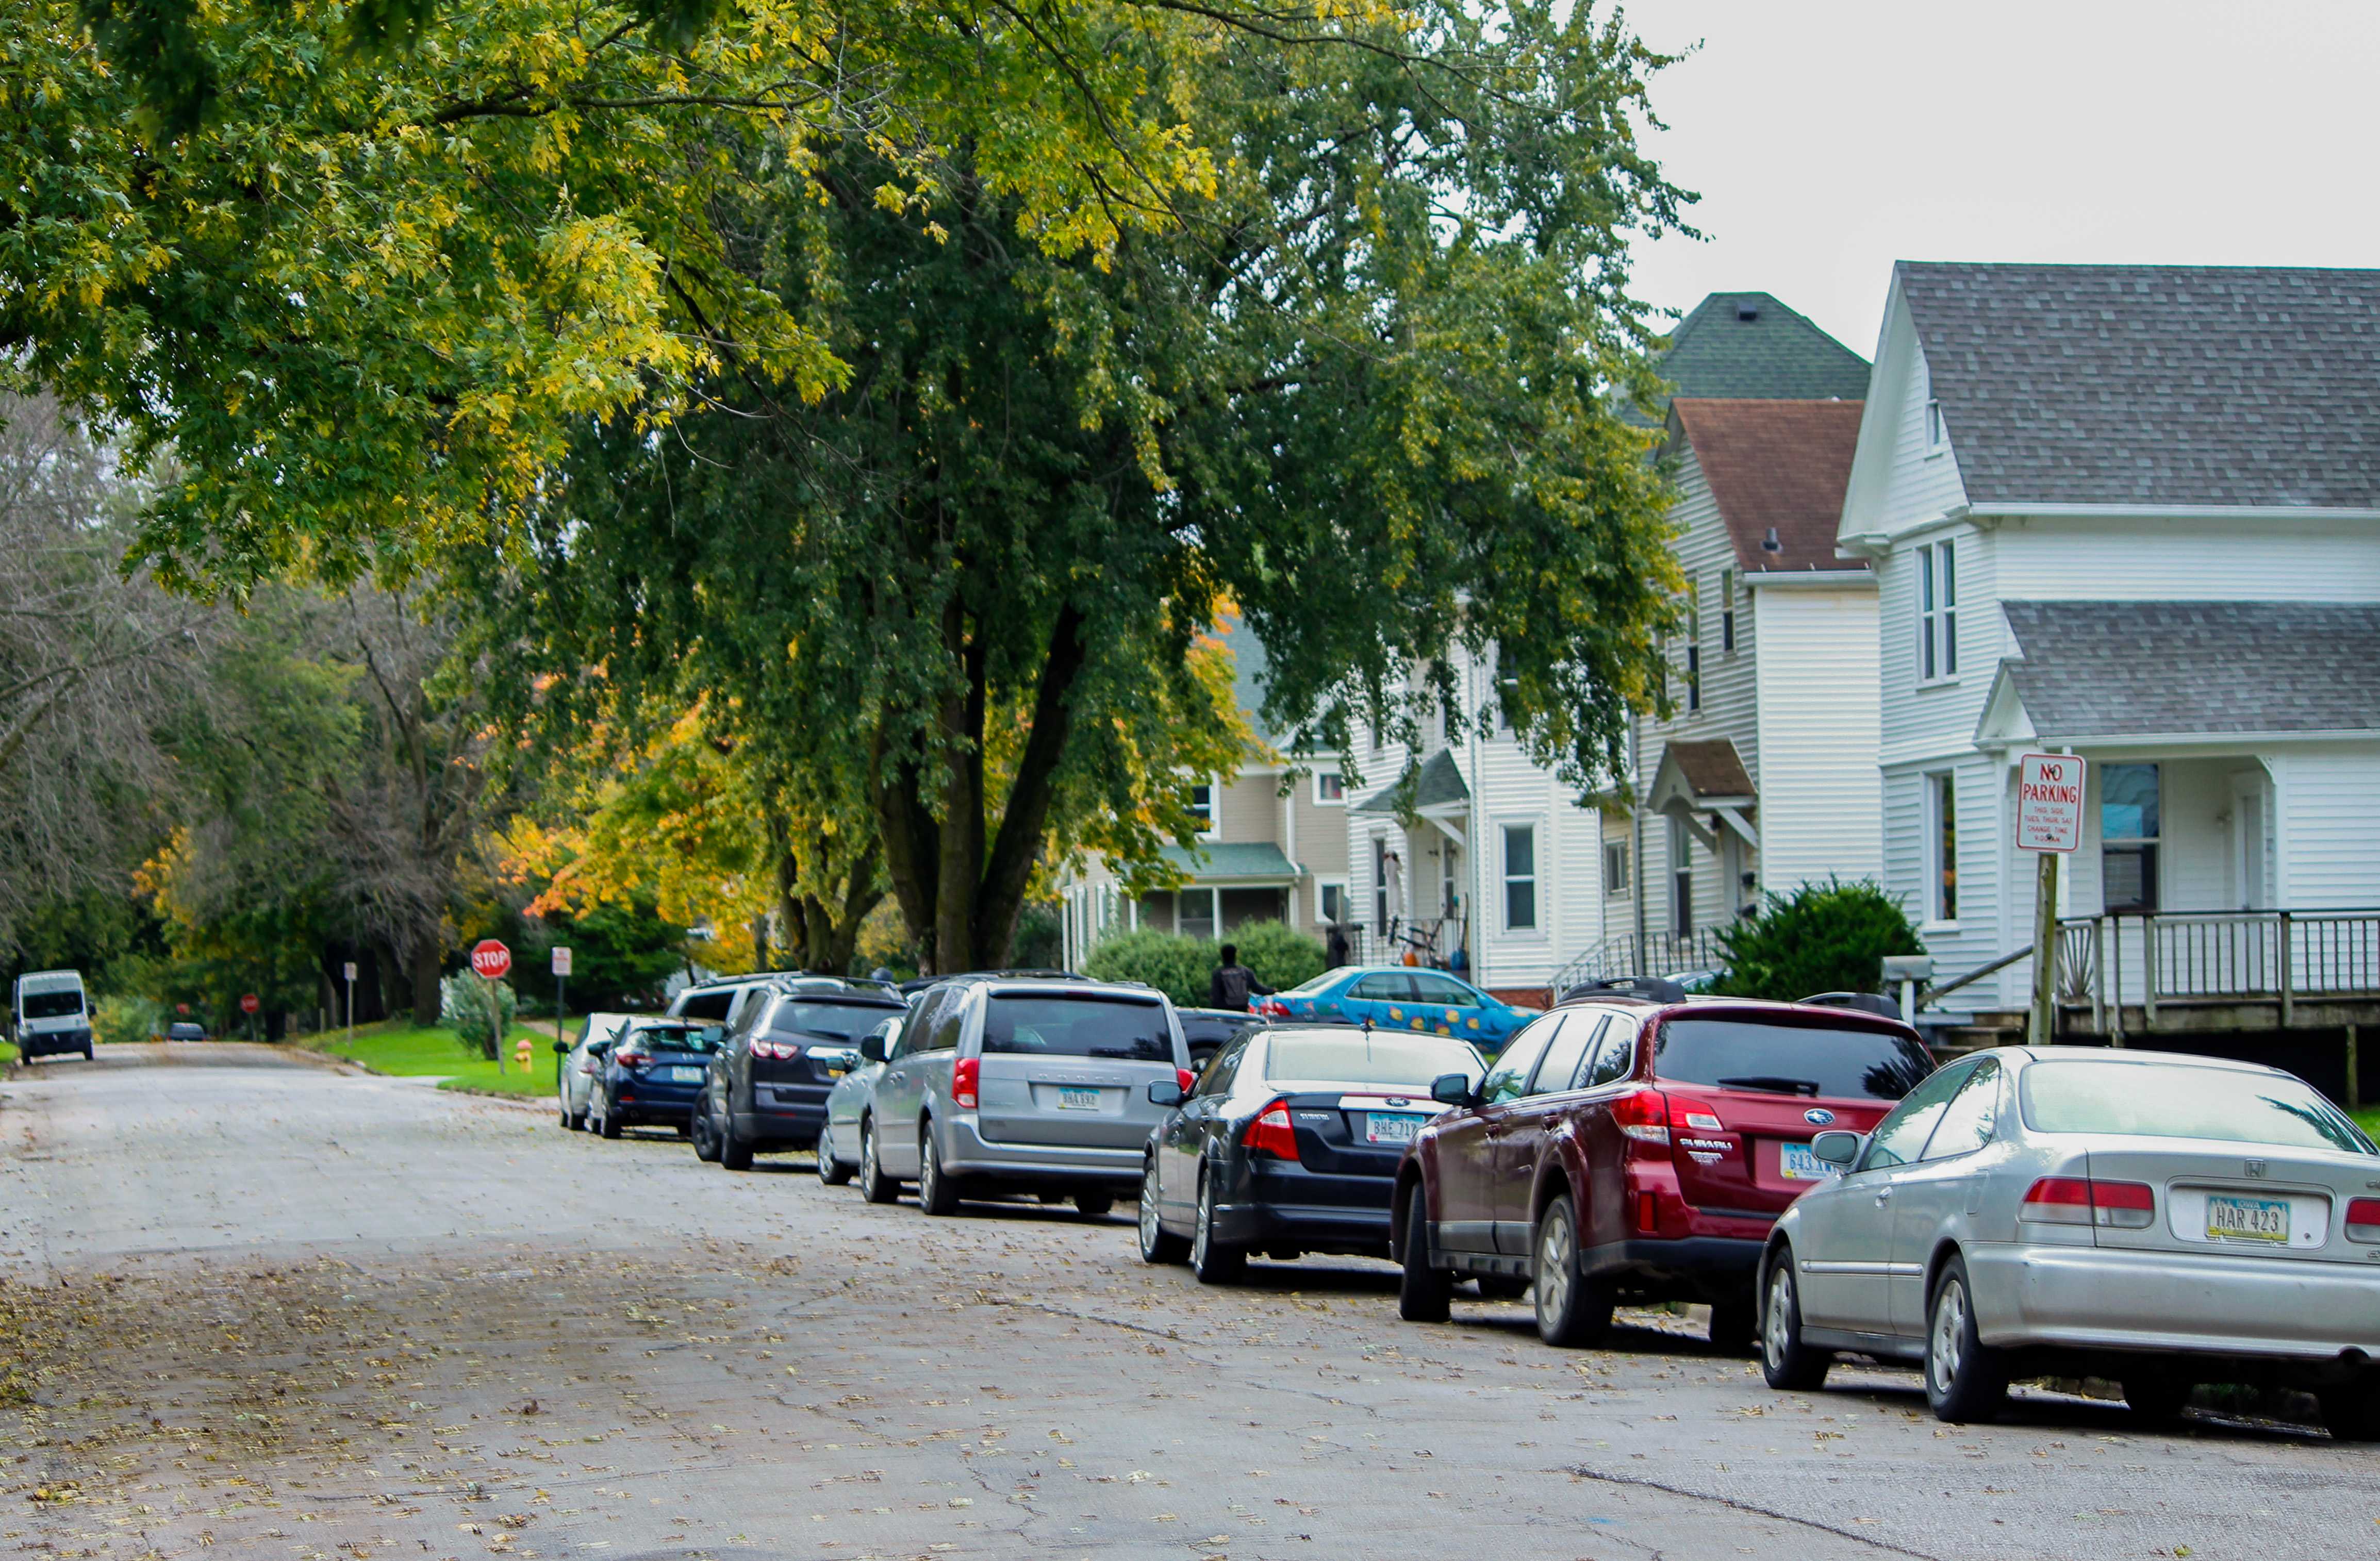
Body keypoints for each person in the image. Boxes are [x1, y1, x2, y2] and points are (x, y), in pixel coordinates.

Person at [1208, 944, 1272, 1012]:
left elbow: (1215, 997)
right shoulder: (1246, 971)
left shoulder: (1218, 973)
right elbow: (1257, 989)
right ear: (1236, 955)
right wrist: (1272, 990)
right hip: (1243, 1011)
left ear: (1222, 956)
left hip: (1226, 1013)